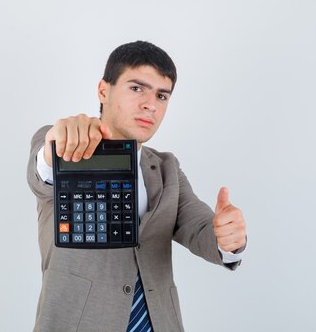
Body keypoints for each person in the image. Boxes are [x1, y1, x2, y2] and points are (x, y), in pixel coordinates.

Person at [27, 41, 247, 332]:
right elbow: (41, 174)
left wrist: (228, 239)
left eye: (162, 95)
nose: (150, 104)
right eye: (136, 88)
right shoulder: (65, 149)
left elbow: (201, 229)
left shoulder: (167, 170)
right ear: (104, 90)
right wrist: (57, 145)